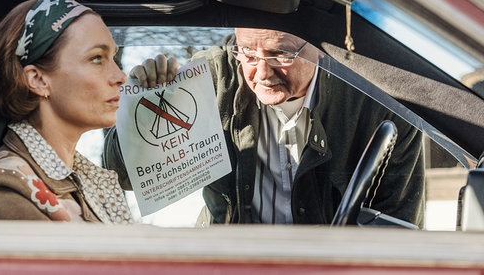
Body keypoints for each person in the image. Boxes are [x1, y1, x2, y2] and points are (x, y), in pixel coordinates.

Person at [104, 27, 425, 226]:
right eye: (247, 53)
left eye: (280, 54)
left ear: (320, 48)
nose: (261, 72)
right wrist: (144, 108)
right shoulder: (210, 80)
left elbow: (399, 224)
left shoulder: (379, 103)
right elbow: (124, 177)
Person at [0, 0, 132, 223]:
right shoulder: (6, 186)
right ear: (38, 79)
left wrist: (156, 102)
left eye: (113, 59)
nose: (120, 76)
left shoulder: (84, 178)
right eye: (97, 58)